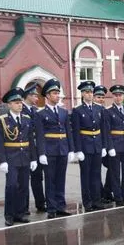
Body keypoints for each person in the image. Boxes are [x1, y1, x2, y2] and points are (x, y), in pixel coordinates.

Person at [0, 87, 37, 226]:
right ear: (9, 104)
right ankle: (9, 214)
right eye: (16, 102)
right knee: (12, 186)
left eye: (20, 102)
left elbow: (30, 140)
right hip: (11, 159)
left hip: (25, 157)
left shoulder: (26, 118)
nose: (20, 105)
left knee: (24, 187)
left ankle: (21, 213)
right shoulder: (2, 120)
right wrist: (2, 161)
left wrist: (33, 158)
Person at [35, 79, 75, 219]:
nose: (57, 95)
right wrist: (41, 153)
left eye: (58, 93)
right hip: (49, 150)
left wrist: (71, 149)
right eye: (54, 93)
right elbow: (40, 135)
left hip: (62, 149)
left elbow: (68, 131)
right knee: (50, 180)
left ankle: (60, 206)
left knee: (60, 179)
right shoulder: (40, 114)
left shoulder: (63, 112)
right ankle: (51, 207)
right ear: (47, 95)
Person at [71, 81, 107, 212]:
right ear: (82, 94)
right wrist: (78, 150)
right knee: (86, 176)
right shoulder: (77, 111)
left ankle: (97, 200)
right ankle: (88, 202)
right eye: (87, 92)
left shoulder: (99, 109)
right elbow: (76, 131)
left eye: (91, 92)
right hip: (85, 147)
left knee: (96, 175)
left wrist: (103, 146)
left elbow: (102, 128)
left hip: (97, 145)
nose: (89, 94)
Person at [105, 85, 124, 206]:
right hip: (115, 145)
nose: (118, 97)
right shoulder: (108, 111)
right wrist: (110, 147)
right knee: (115, 173)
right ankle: (118, 197)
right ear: (113, 96)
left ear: (123, 96)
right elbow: (107, 131)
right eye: (116, 95)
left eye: (120, 95)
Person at [21, 83, 46, 214]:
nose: (37, 97)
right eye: (34, 95)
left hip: (36, 148)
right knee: (24, 179)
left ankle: (40, 203)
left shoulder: (36, 110)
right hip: (25, 149)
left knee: (37, 177)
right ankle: (23, 207)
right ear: (28, 96)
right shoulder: (20, 110)